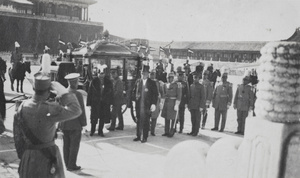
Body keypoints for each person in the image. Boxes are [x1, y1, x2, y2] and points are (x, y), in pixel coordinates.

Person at [15, 72, 82, 178]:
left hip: (28, 156)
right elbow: (76, 110)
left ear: (34, 88)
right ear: (49, 91)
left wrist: (24, 157)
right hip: (48, 157)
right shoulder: (50, 108)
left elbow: (17, 138)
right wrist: (64, 93)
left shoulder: (21, 106)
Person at [59, 73, 87, 171]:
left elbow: (59, 108)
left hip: (64, 123)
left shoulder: (62, 93)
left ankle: (66, 164)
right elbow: (81, 110)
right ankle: (72, 165)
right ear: (75, 82)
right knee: (74, 146)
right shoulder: (78, 94)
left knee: (66, 145)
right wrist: (83, 123)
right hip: (75, 124)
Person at [133, 66, 158, 142]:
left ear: (148, 74)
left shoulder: (152, 83)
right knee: (139, 120)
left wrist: (153, 104)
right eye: (143, 72)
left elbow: (155, 94)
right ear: (142, 73)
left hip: (147, 105)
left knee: (146, 121)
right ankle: (138, 135)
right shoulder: (138, 82)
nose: (145, 74)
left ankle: (145, 137)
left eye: (146, 73)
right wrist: (135, 97)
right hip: (139, 105)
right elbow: (134, 91)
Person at [161, 72, 182, 137]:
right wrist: (162, 101)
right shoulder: (166, 84)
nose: (170, 79)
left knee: (173, 118)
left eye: (171, 77)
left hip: (173, 102)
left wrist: (177, 104)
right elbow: (164, 94)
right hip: (167, 102)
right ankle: (166, 131)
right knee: (166, 118)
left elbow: (179, 95)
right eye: (169, 77)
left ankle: (172, 131)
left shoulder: (177, 85)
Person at [149, 69, 165, 136]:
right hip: (148, 100)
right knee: (147, 116)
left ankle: (152, 130)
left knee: (154, 117)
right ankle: (147, 129)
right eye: (151, 74)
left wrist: (161, 102)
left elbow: (162, 92)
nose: (152, 75)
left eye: (154, 74)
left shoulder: (158, 83)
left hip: (155, 100)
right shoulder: (147, 81)